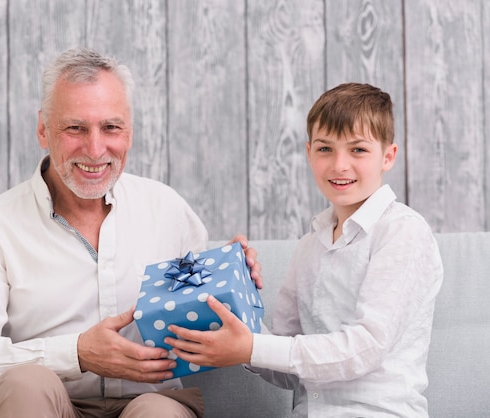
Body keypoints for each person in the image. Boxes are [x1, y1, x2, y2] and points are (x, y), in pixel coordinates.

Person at [0, 48, 261, 418]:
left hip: (152, 402)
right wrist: (77, 353)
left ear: (130, 132)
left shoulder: (167, 209)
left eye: (111, 127)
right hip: (50, 403)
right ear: (43, 129)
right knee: (25, 384)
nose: (95, 149)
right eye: (75, 128)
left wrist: (236, 284)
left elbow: (208, 322)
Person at [166, 83, 444, 417]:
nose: (340, 165)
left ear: (388, 156)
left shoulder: (402, 232)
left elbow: (365, 348)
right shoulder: (310, 245)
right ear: (310, 152)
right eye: (326, 149)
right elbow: (285, 366)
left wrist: (252, 346)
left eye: (357, 150)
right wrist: (232, 291)